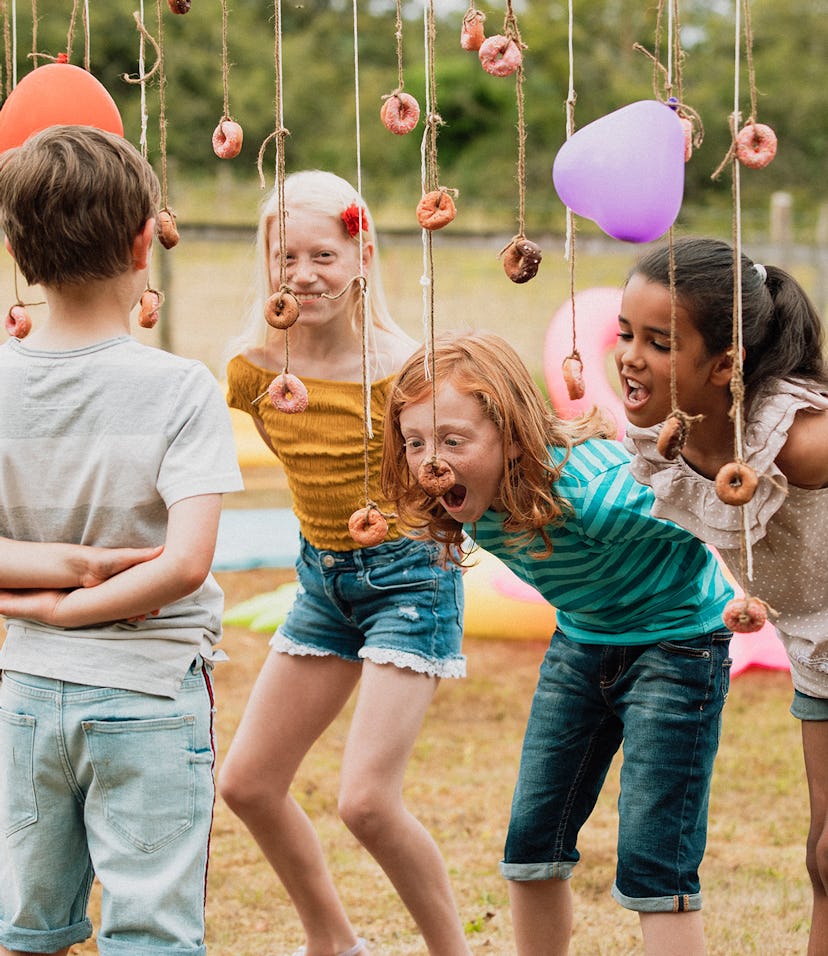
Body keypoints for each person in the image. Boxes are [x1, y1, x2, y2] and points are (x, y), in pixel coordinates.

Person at [381, 328, 734, 956]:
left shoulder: (592, 496)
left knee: (656, 855)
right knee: (532, 840)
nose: (430, 460)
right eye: (415, 442)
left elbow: (703, 503)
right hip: (582, 641)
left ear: (511, 434)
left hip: (677, 646)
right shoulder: (468, 500)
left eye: (453, 441)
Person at [0, 125, 244, 956]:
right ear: (146, 242)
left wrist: (50, 606)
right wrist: (81, 599)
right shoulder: (180, 390)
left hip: (26, 696)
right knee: (152, 933)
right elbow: (187, 562)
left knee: (30, 927)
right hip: (148, 692)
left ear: (18, 253)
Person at [218, 170, 469, 956]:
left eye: (322, 254)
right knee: (247, 784)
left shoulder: (403, 371)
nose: (302, 274)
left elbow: (452, 477)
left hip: (408, 581)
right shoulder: (254, 372)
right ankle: (335, 942)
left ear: (362, 256)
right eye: (284, 257)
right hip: (322, 583)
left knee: (365, 803)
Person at [616, 235, 828, 956]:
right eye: (626, 334)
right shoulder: (677, 443)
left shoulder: (797, 441)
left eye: (659, 341)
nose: (629, 356)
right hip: (817, 658)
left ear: (726, 364)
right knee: (822, 860)